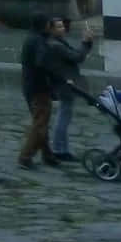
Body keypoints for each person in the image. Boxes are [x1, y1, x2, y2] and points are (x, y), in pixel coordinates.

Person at [40, 16, 94, 163]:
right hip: (64, 84)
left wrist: (86, 44)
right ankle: (60, 150)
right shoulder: (55, 45)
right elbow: (76, 57)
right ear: (51, 29)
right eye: (58, 27)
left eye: (62, 26)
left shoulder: (57, 42)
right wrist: (86, 42)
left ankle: (62, 149)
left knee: (64, 116)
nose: (62, 29)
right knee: (63, 117)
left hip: (65, 83)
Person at [17, 15, 53, 169]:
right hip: (39, 87)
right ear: (44, 25)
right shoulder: (38, 41)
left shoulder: (32, 38)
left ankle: (48, 154)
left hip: (30, 85)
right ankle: (25, 156)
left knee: (41, 120)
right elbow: (41, 62)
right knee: (40, 123)